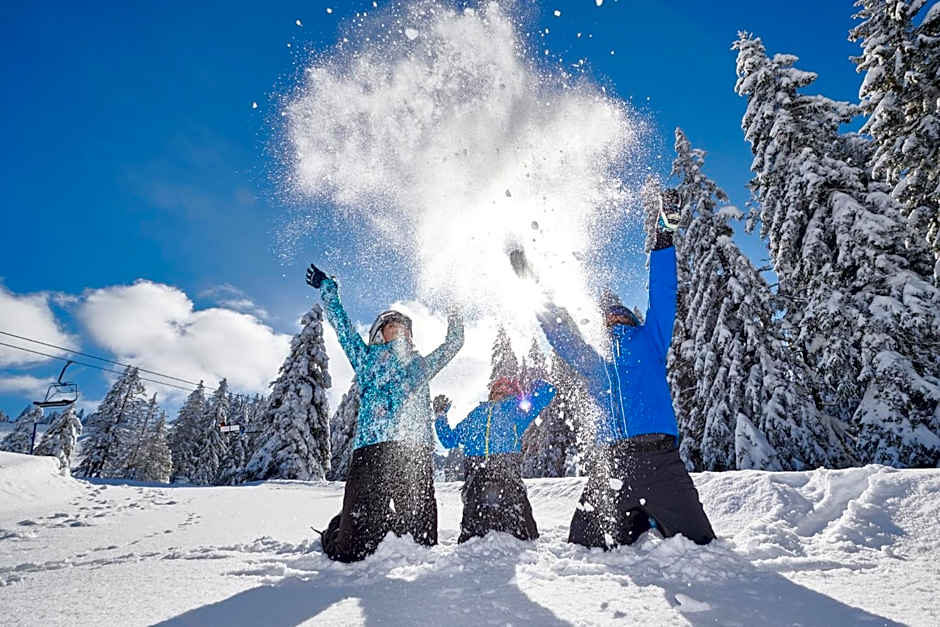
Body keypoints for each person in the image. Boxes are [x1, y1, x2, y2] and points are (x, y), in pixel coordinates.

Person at [518, 192, 715, 548]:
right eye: (607, 315)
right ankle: (638, 525)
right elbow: (561, 331)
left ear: (631, 317)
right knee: (583, 550)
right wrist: (530, 280)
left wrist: (664, 237)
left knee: (700, 545)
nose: (613, 316)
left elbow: (664, 294)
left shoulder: (650, 339)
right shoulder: (593, 358)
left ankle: (651, 520)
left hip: (660, 461)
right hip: (610, 466)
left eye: (619, 312)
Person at [306, 262, 464, 562]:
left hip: (412, 450)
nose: (399, 328)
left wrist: (455, 310)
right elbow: (343, 328)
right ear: (380, 332)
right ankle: (339, 528)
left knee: (422, 543)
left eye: (403, 325)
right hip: (371, 449)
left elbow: (453, 343)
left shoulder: (420, 365)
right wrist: (329, 290)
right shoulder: (365, 358)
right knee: (350, 551)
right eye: (392, 325)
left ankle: (387, 525)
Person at [434, 377, 555, 542]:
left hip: (504, 464)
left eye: (507, 387)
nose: (501, 388)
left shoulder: (517, 410)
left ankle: (520, 539)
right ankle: (471, 544)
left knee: (514, 513)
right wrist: (440, 415)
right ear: (491, 393)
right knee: (473, 518)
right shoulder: (476, 414)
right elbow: (449, 440)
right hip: (476, 466)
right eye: (497, 386)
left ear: (514, 393)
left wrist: (533, 384)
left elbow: (547, 392)